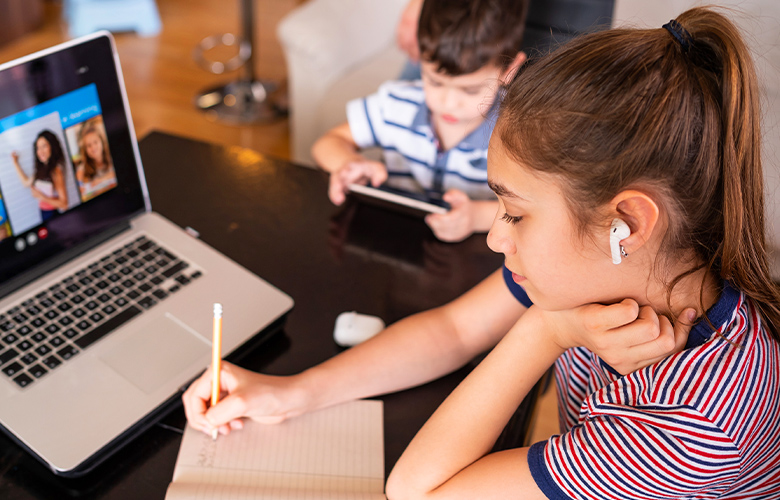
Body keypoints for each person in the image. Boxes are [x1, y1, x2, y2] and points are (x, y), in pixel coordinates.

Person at [384, 7, 780, 498]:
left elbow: (416, 491)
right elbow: (455, 329)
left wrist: (546, 332)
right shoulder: (618, 268)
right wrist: (300, 393)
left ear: (626, 223)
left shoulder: (692, 427)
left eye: (515, 213)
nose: (495, 238)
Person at [311, 0, 529, 243]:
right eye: (435, 82)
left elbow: (532, 208)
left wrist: (476, 217)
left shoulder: (518, 131)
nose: (448, 102)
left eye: (470, 90)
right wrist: (348, 163)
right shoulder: (396, 104)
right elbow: (328, 143)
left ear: (509, 70)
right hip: (394, 240)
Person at [10, 130, 69, 221]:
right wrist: (15, 162)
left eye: (44, 146)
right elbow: (26, 183)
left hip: (52, 214)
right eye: (38, 148)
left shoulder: (55, 171)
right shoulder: (41, 169)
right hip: (43, 212)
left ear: (52, 147)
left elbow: (64, 204)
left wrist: (41, 197)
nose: (40, 151)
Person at [75, 122, 117, 201]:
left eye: (95, 142)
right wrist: (80, 185)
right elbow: (79, 180)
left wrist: (101, 180)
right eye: (89, 145)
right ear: (85, 149)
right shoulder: (83, 167)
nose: (93, 147)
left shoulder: (112, 156)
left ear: (102, 141)